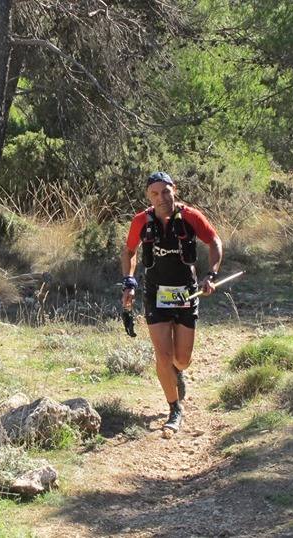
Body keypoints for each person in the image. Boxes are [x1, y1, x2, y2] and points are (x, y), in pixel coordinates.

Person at [121, 171, 223, 434]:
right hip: (155, 294)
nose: (161, 197)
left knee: (182, 359)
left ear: (174, 190)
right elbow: (130, 251)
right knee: (163, 356)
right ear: (148, 196)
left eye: (166, 191)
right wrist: (129, 281)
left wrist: (211, 275)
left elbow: (214, 241)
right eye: (155, 193)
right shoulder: (141, 221)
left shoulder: (190, 217)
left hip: (187, 293)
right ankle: (174, 408)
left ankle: (178, 372)